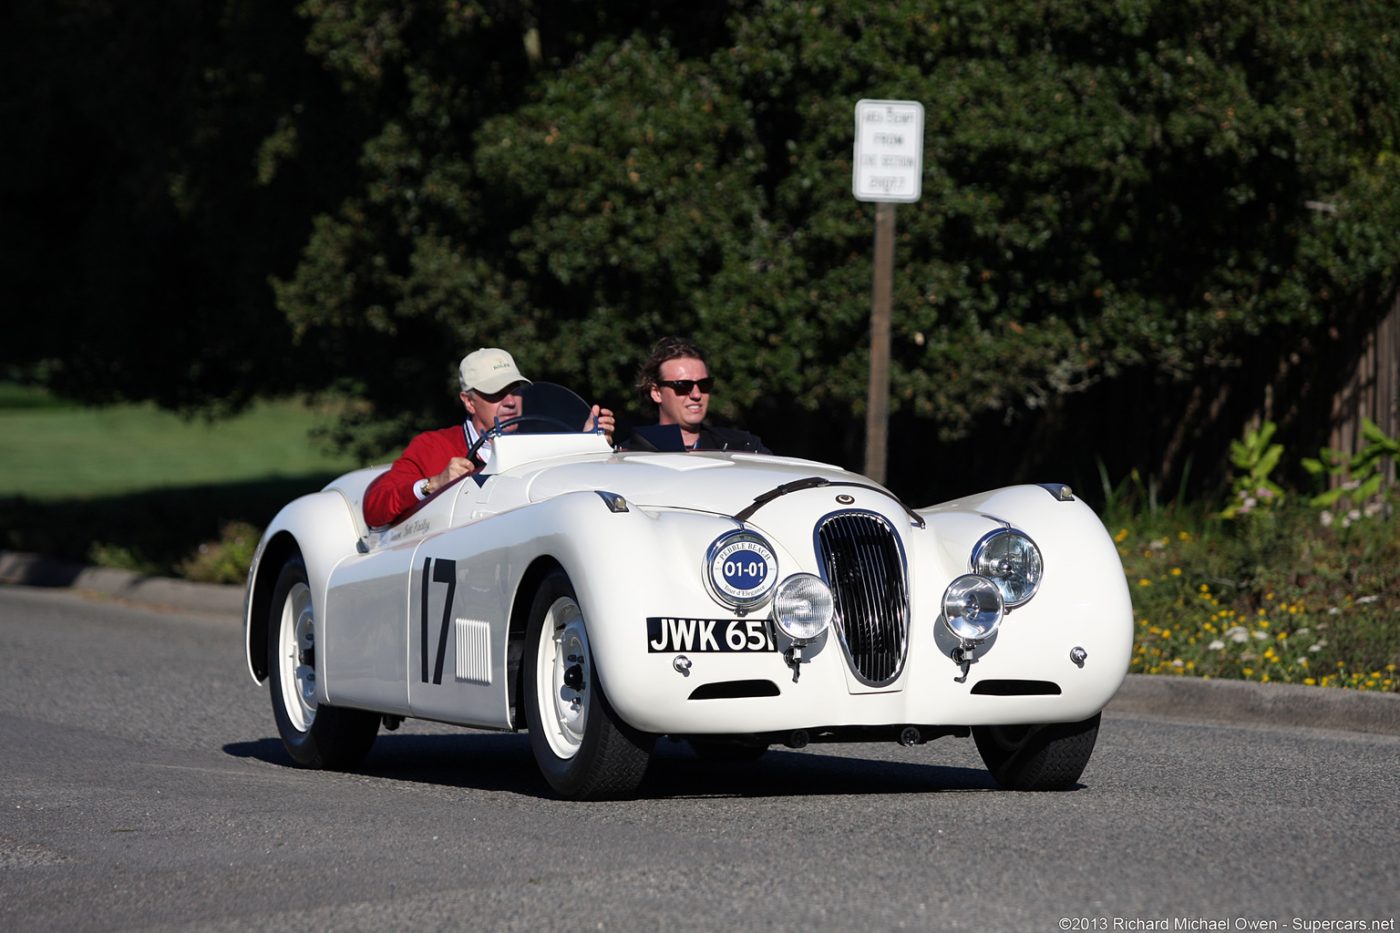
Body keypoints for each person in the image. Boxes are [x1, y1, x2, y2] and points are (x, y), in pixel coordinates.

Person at [362, 348, 615, 527]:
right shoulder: (433, 446)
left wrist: (588, 442)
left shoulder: (542, 441)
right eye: (495, 393)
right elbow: (375, 507)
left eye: (516, 390)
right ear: (469, 402)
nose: (509, 402)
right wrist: (434, 483)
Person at [632, 336, 770, 453]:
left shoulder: (745, 447)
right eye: (683, 386)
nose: (696, 394)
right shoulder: (631, 454)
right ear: (656, 393)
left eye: (704, 384)